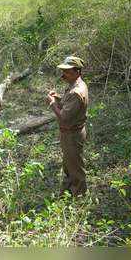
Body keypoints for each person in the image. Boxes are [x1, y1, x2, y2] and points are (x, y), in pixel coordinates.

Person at [47, 56, 89, 196]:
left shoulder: (77, 92)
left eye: (67, 72)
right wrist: (58, 98)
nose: (63, 75)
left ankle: (79, 196)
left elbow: (64, 118)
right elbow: (68, 103)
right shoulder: (74, 87)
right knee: (69, 164)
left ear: (77, 72)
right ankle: (69, 191)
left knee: (75, 167)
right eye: (63, 71)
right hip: (70, 133)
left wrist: (53, 103)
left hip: (72, 134)